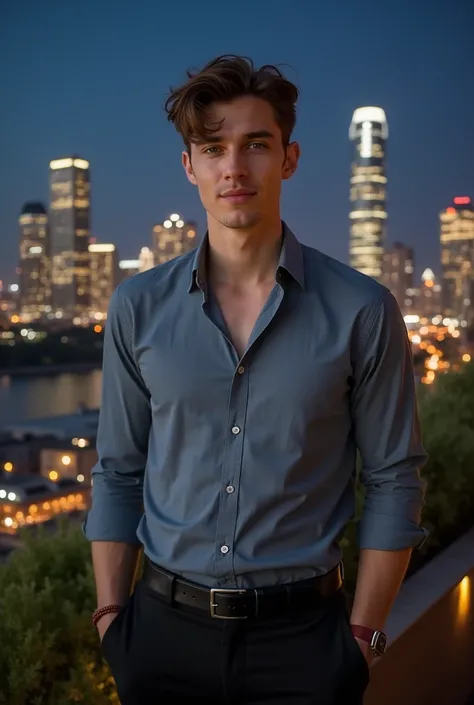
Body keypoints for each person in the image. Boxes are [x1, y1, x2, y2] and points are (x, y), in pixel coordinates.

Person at [83, 55, 428, 705]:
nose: (234, 168)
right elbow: (118, 470)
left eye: (255, 146)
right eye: (212, 148)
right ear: (190, 166)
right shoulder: (137, 306)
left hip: (308, 646)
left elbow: (394, 478)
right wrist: (110, 623)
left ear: (288, 159)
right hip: (160, 636)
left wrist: (365, 643)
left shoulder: (362, 309)